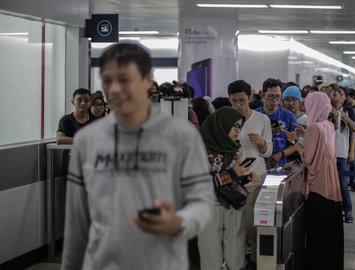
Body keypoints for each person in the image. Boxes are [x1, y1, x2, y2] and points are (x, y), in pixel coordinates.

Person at [61, 43, 213, 270]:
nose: (114, 89)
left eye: (125, 79)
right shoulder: (87, 141)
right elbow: (76, 224)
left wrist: (178, 222)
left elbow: (202, 202)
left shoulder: (182, 137)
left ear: (147, 81)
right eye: (107, 79)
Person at [198, 107, 254, 270]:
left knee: (236, 261)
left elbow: (231, 182)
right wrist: (233, 173)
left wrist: (246, 177)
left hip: (234, 207)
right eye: (234, 126)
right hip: (209, 210)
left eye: (239, 126)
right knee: (211, 261)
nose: (238, 131)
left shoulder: (234, 148)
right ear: (221, 125)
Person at [294, 92, 344, 270]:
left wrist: (296, 141)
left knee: (317, 234)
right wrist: (304, 135)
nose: (330, 107)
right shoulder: (328, 126)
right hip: (332, 186)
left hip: (317, 188)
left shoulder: (314, 128)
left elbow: (308, 159)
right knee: (330, 233)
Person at [227, 80, 273, 269]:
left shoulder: (262, 120)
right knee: (233, 228)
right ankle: (235, 260)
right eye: (234, 101)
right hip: (232, 180)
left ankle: (254, 261)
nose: (238, 105)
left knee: (252, 226)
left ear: (250, 98)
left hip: (256, 179)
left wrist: (261, 143)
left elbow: (268, 152)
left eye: (242, 101)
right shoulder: (225, 119)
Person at [256, 78, 297, 169]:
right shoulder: (255, 116)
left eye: (278, 96)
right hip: (258, 164)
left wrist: (281, 154)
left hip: (281, 165)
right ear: (263, 95)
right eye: (270, 96)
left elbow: (296, 144)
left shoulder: (288, 116)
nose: (274, 100)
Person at [330, 87, 355, 223]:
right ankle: (333, 210)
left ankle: (348, 211)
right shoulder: (326, 110)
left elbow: (354, 129)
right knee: (329, 184)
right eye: (336, 93)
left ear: (344, 97)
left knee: (343, 184)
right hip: (328, 153)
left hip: (342, 152)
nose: (337, 96)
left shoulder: (349, 110)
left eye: (340, 94)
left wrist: (351, 151)